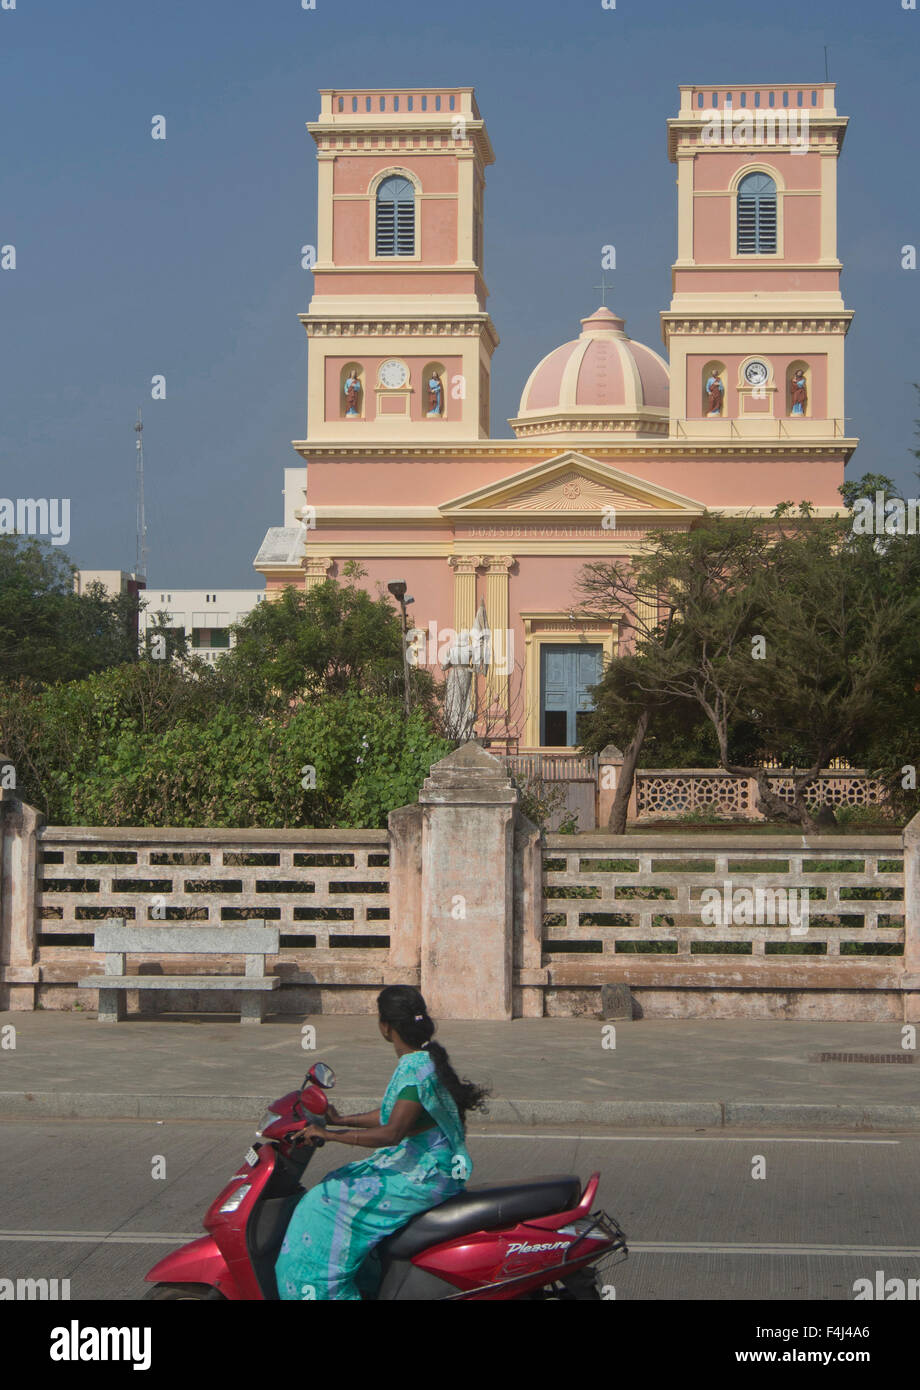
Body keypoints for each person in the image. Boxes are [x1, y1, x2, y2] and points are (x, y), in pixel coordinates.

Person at [275, 985, 489, 1301]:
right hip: (424, 1166)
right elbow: (395, 1115)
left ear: (386, 1026)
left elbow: (392, 1133)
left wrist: (329, 1135)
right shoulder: (421, 1061)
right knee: (335, 1183)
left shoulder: (415, 1070)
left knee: (321, 1203)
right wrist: (340, 1120)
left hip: (425, 1175)